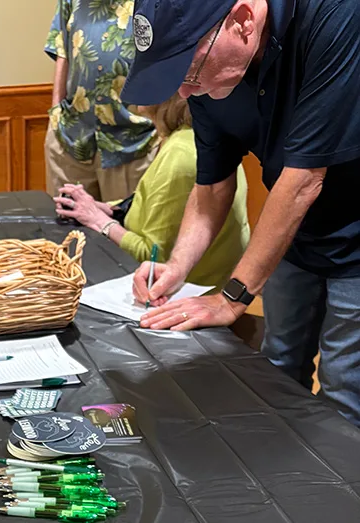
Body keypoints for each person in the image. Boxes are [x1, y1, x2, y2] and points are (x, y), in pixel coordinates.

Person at [121, 0, 360, 426]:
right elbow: (212, 185)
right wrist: (178, 267)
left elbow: (304, 179)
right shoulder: (207, 74)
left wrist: (232, 296)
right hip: (296, 232)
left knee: (344, 389)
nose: (185, 92)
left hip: (353, 229)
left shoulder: (335, 15)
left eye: (190, 73)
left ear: (243, 21)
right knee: (277, 368)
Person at [54, 94, 250, 288]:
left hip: (184, 292)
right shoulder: (198, 138)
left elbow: (154, 257)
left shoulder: (180, 155)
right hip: (211, 279)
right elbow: (152, 206)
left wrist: (101, 222)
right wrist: (108, 209)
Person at [43, 0, 157, 202]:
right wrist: (55, 114)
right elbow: (62, 49)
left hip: (135, 141)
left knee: (124, 228)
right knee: (69, 229)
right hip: (72, 137)